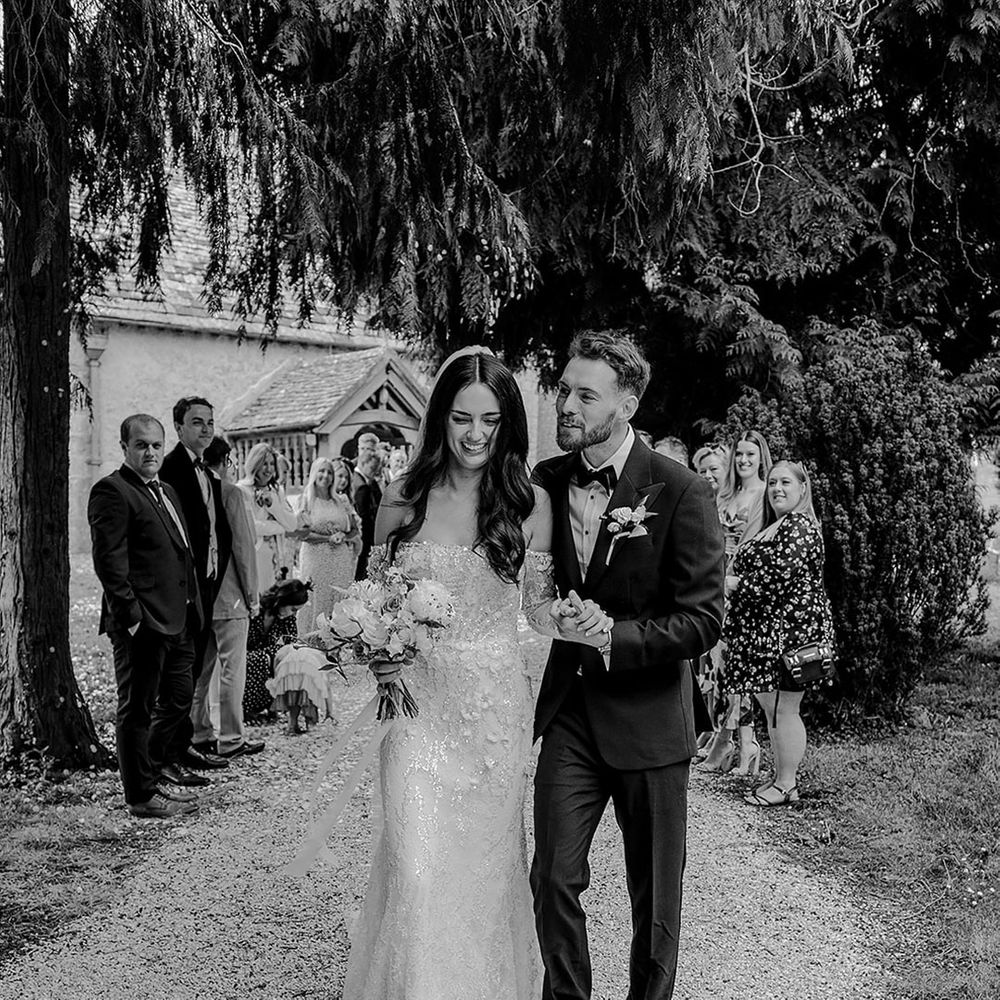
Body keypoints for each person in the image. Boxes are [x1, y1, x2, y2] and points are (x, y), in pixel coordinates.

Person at [342, 348, 575, 1000]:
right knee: (414, 868)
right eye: (462, 418)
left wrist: (578, 619)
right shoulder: (400, 500)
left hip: (492, 712)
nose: (476, 434)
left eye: (492, 421)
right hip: (414, 708)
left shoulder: (530, 506)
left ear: (508, 426)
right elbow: (374, 602)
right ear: (439, 418)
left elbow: (537, 610)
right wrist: (375, 652)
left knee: (481, 872)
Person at [530, 331, 725, 1000]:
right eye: (563, 391)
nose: (568, 405)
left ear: (628, 403)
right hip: (573, 714)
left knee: (656, 904)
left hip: (649, 717)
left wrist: (616, 636)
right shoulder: (544, 482)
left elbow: (703, 619)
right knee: (551, 875)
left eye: (586, 394)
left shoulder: (680, 491)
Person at [88, 414, 201, 818]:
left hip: (179, 619)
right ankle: (140, 796)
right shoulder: (112, 492)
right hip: (142, 624)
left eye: (156, 444)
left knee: (178, 698)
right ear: (125, 448)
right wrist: (133, 618)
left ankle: (151, 773)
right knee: (136, 709)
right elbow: (109, 563)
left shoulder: (166, 490)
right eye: (141, 445)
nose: (150, 452)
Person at [723, 461, 835, 806]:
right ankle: (781, 779)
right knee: (773, 709)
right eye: (772, 483)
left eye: (786, 482)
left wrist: (735, 584)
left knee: (783, 710)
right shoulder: (779, 524)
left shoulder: (800, 525)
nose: (777, 489)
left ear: (804, 488)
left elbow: (778, 576)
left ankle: (786, 784)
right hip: (773, 633)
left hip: (792, 635)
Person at [159, 396, 233, 779]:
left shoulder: (208, 471)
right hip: (181, 589)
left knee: (192, 670)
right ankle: (168, 752)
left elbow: (216, 529)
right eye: (197, 422)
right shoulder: (170, 468)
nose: (206, 429)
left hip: (207, 584)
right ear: (179, 427)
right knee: (178, 673)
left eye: (209, 422)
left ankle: (185, 743)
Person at [698, 428, 774, 776]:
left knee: (736, 664)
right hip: (715, 576)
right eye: (740, 454)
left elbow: (755, 544)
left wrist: (733, 580)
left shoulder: (762, 495)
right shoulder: (725, 494)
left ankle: (737, 742)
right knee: (714, 662)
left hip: (739, 583)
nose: (744, 460)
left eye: (750, 455)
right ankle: (719, 735)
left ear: (761, 459)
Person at [191, 437, 265, 759]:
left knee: (201, 671)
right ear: (225, 461)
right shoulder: (230, 493)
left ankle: (199, 731)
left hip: (199, 598)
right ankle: (232, 737)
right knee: (233, 669)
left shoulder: (191, 491)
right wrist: (252, 595)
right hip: (231, 595)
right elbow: (244, 549)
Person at [293, 457, 361, 632]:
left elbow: (354, 530)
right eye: (322, 471)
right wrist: (327, 539)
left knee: (339, 599)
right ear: (314, 474)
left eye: (329, 472)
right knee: (316, 598)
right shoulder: (306, 500)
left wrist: (343, 536)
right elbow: (301, 534)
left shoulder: (341, 500)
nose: (326, 476)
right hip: (315, 559)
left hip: (340, 559)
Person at [236, 442, 304, 591]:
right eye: (264, 464)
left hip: (277, 558)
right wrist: (279, 527)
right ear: (254, 465)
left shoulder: (276, 490)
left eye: (272, 464)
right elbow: (250, 526)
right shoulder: (242, 490)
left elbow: (292, 524)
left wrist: (273, 505)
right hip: (256, 555)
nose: (269, 469)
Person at [242, 580, 308, 721]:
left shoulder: (287, 618)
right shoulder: (256, 609)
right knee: (261, 659)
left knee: (288, 655)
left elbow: (292, 642)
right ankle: (248, 710)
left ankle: (276, 706)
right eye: (293, 609)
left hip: (266, 654)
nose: (294, 614)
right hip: (243, 652)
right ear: (282, 601)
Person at [351, 435, 383, 580]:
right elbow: (364, 515)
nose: (374, 473)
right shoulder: (361, 486)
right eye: (372, 469)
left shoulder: (367, 482)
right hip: (365, 537)